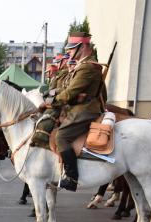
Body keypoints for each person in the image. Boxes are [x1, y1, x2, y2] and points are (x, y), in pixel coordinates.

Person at [45, 32, 104, 191]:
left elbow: (70, 91)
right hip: (76, 106)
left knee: (61, 136)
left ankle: (71, 177)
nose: (69, 52)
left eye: (71, 49)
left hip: (85, 109)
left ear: (82, 47)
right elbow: (66, 89)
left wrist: (51, 102)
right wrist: (53, 95)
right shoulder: (82, 66)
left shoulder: (87, 67)